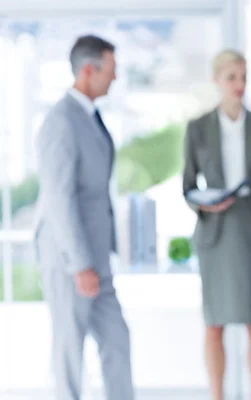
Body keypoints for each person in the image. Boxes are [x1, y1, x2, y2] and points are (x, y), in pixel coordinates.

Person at [34, 35, 133, 400]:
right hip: (70, 260)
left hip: (97, 258)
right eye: (111, 70)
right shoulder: (60, 121)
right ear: (89, 70)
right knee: (69, 350)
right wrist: (79, 264)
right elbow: (60, 198)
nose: (115, 78)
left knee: (117, 342)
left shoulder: (89, 116)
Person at [182, 49, 251, 400]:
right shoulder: (197, 129)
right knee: (214, 325)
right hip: (215, 231)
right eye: (232, 77)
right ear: (217, 80)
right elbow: (187, 186)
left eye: (243, 76)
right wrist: (204, 203)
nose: (239, 84)